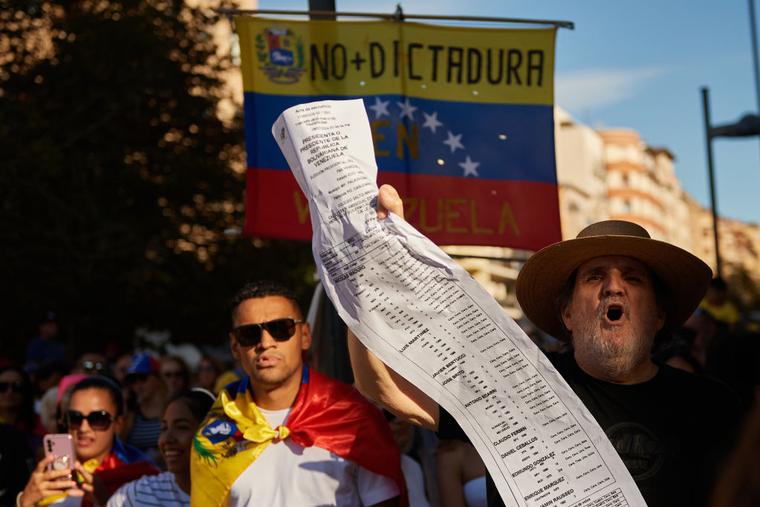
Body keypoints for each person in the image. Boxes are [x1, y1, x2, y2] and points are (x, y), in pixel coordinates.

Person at [348, 185, 744, 507]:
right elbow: (382, 385)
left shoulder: (714, 408)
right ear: (568, 314)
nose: (613, 286)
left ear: (658, 315)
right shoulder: (516, 387)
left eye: (634, 278)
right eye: (594, 277)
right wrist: (371, 266)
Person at [190, 280, 406, 507]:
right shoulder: (215, 433)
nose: (265, 343)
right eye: (249, 334)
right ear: (235, 346)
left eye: (280, 329)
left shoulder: (354, 417)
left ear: (305, 336)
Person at [18, 376, 158, 507]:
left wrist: (108, 502)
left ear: (118, 424)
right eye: (75, 418)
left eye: (98, 419)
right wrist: (24, 502)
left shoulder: (141, 476)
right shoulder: (46, 472)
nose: (83, 428)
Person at [107, 388, 215, 507]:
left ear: (211, 434)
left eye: (181, 427)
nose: (167, 439)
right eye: (164, 428)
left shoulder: (235, 492)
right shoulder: (137, 495)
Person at [123, 353, 168, 463]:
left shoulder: (170, 410)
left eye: (143, 378)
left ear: (157, 378)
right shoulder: (131, 413)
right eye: (133, 380)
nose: (138, 385)